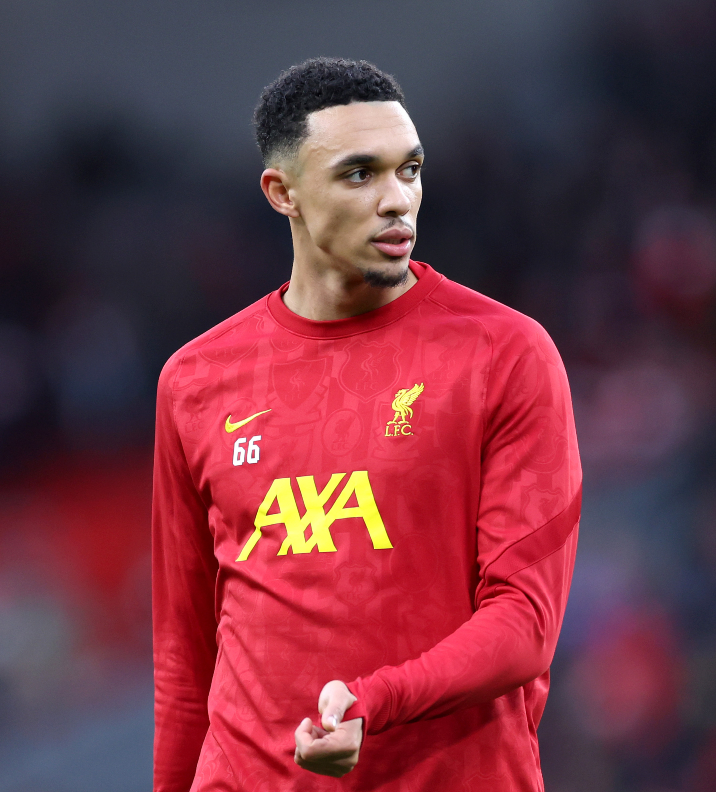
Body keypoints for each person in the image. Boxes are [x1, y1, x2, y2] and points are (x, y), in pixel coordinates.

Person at [151, 57, 582, 791]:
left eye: (408, 171)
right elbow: (184, 659)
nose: (397, 201)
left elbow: (525, 627)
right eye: (359, 175)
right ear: (281, 192)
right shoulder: (195, 381)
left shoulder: (503, 355)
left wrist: (376, 699)